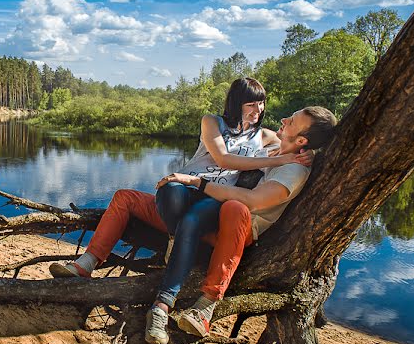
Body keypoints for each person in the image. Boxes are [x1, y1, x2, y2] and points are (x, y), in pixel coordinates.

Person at [50, 77, 310, 280]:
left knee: (186, 211)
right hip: (183, 189)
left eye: (261, 103)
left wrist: (310, 154)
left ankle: (176, 241)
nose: (258, 109)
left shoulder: (263, 136)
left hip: (211, 201)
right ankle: (86, 264)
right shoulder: (212, 122)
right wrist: (278, 160)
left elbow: (294, 146)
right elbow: (223, 159)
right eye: (251, 104)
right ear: (236, 104)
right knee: (124, 198)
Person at [145, 105, 337, 344]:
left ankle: (206, 306)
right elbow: (238, 151)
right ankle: (163, 301)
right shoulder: (277, 151)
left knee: (235, 207)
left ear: (301, 139)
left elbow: (253, 201)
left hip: (240, 231)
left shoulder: (295, 169)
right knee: (186, 212)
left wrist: (197, 182)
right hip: (216, 223)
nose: (284, 119)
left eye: (292, 121)